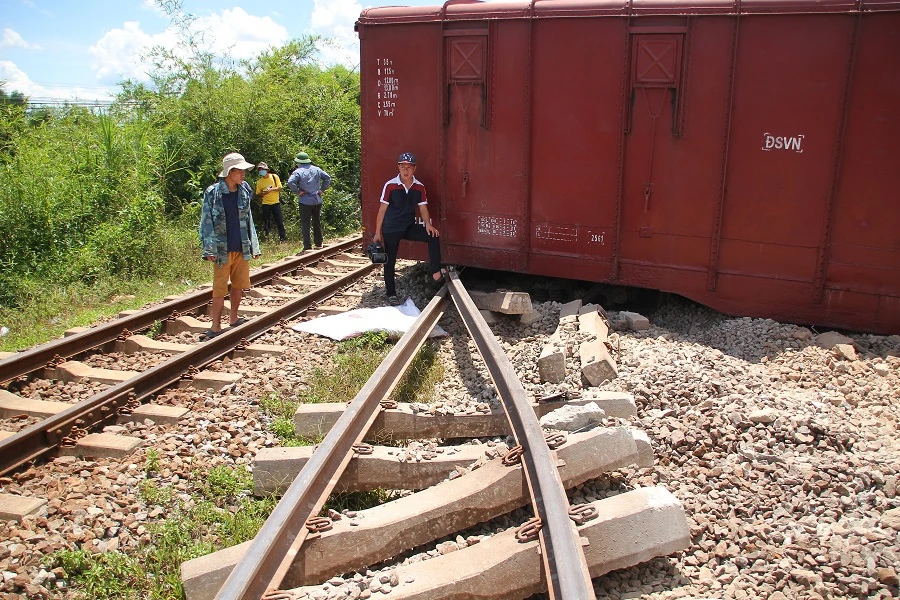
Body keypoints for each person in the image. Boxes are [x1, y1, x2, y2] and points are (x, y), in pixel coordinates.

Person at [198, 152, 261, 340]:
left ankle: (233, 318)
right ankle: (215, 326)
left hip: (241, 246)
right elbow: (206, 221)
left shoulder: (245, 190)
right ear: (230, 172)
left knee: (239, 285)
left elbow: (249, 219)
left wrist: (254, 246)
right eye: (240, 171)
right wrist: (209, 248)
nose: (244, 175)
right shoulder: (213, 193)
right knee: (219, 288)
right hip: (221, 249)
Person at [373, 152, 443, 305]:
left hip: (408, 226)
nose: (406, 170)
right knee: (390, 260)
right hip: (391, 228)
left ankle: (436, 272)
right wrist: (378, 232)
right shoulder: (390, 185)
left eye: (409, 167)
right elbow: (382, 210)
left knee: (433, 236)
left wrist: (428, 224)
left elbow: (423, 209)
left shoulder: (419, 187)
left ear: (414, 168)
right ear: (398, 167)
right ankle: (391, 293)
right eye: (403, 167)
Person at [286, 151, 331, 251]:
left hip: (305, 201)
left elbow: (290, 182)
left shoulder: (298, 171)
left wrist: (297, 191)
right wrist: (321, 190)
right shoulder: (317, 169)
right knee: (317, 221)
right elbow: (327, 178)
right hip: (317, 200)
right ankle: (319, 243)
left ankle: (307, 246)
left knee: (305, 223)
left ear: (298, 162)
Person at [254, 161, 286, 242]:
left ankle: (283, 238)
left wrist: (271, 189)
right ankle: (268, 237)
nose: (261, 171)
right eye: (260, 170)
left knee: (279, 221)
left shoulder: (274, 177)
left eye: (262, 169)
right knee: (266, 222)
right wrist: (264, 193)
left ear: (267, 170)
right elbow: (258, 194)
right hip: (265, 204)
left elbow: (280, 188)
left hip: (276, 202)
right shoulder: (259, 182)